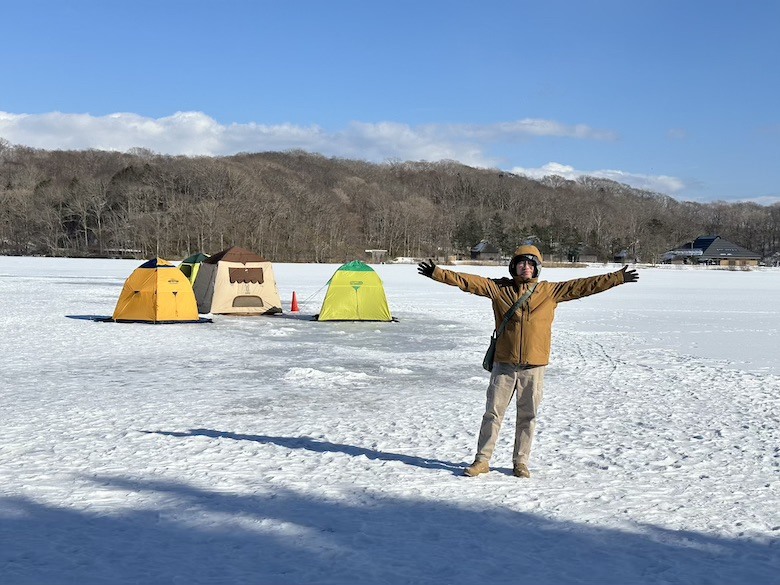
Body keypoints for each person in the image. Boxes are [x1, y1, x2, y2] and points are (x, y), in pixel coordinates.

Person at [418, 245, 639, 478]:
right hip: (504, 364)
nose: (526, 267)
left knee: (527, 417)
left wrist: (617, 278)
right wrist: (438, 273)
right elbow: (468, 281)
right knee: (493, 414)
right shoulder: (498, 289)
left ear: (537, 269)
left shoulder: (550, 291)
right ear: (514, 266)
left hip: (534, 366)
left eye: (531, 264)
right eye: (522, 263)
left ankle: (520, 462)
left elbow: (583, 286)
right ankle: (482, 461)